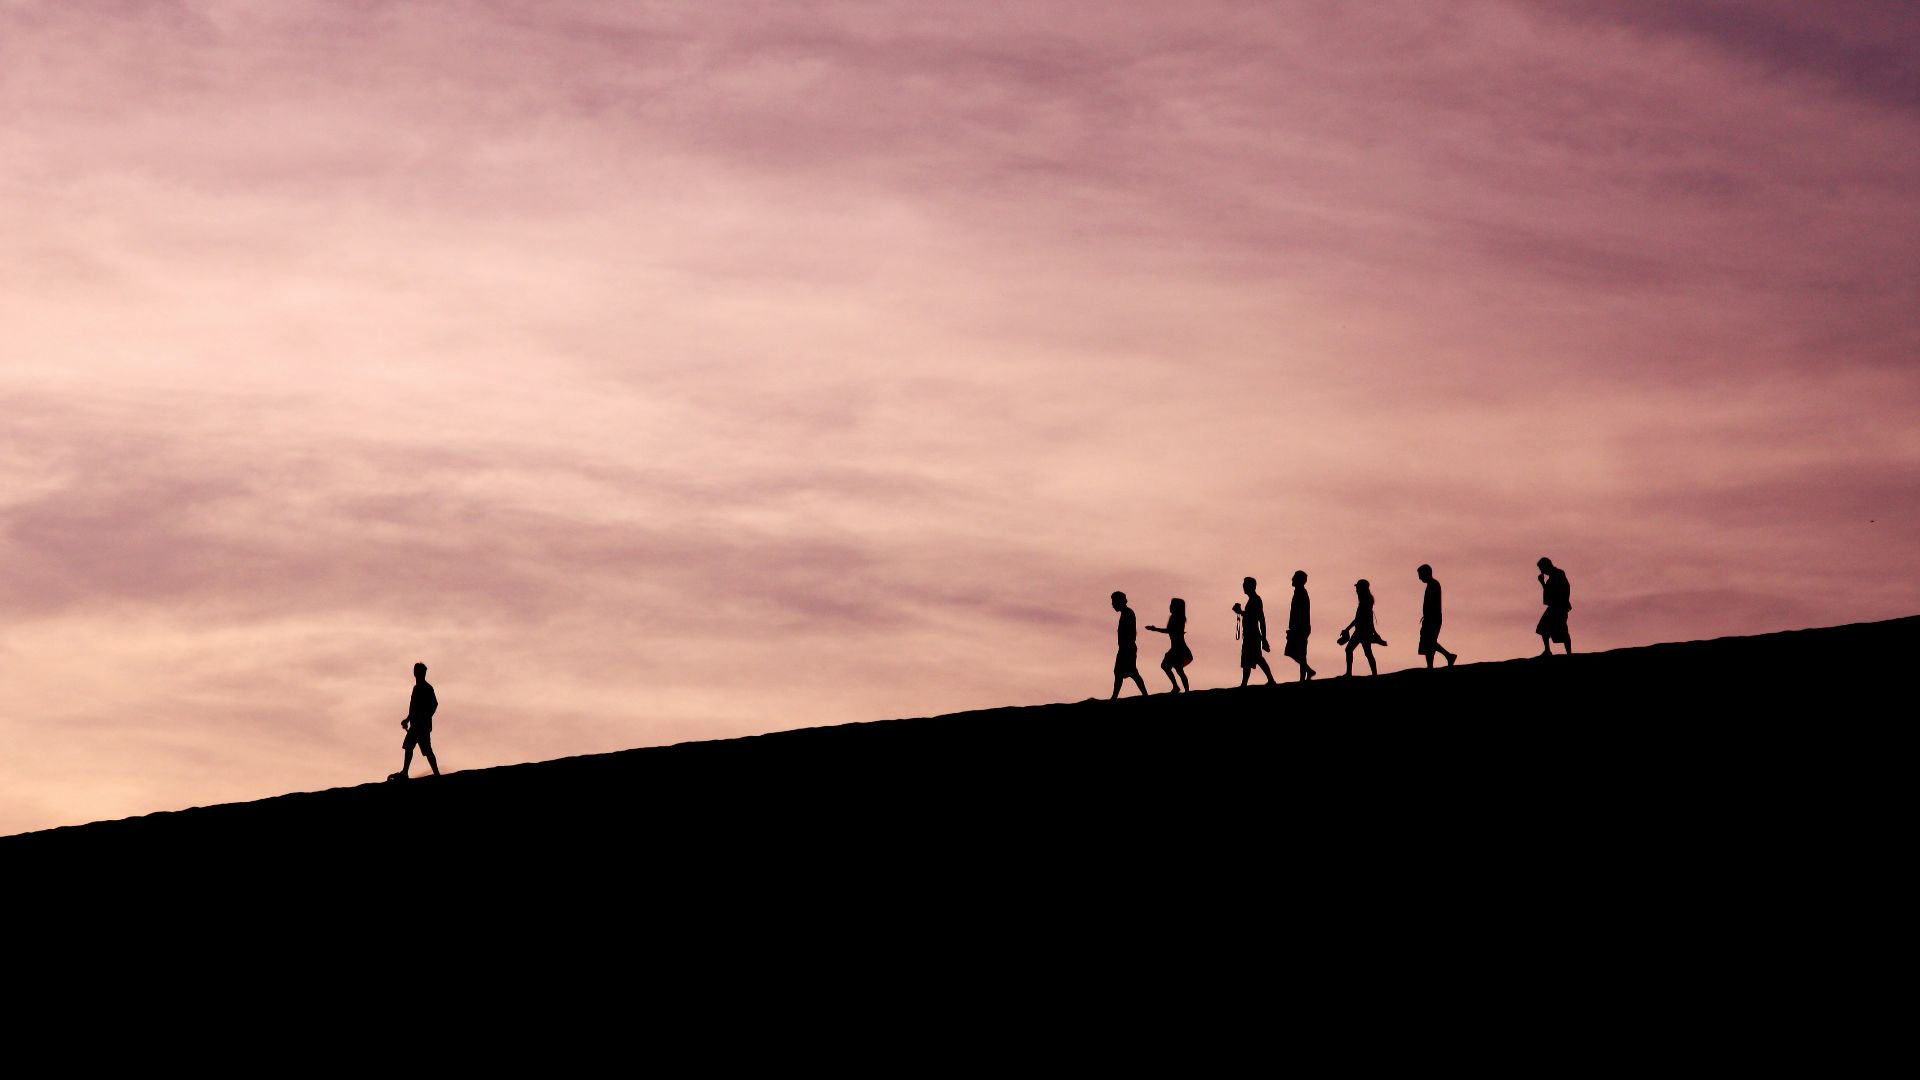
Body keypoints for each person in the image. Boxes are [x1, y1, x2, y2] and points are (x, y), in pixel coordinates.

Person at [388, 662, 441, 781]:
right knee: (410, 746)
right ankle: (405, 772)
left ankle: (436, 774)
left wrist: (426, 717)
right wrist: (407, 719)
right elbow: (413, 709)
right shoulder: (416, 688)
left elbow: (434, 704)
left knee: (425, 749)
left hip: (422, 725)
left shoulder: (427, 688)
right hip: (416, 724)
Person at [1232, 577, 1275, 687]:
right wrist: (1241, 612)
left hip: (1253, 635)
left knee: (1255, 658)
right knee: (1249, 659)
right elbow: (1252, 616)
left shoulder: (1255, 600)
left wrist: (1264, 638)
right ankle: (1245, 683)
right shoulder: (1253, 600)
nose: (1243, 586)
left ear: (1251, 586)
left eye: (1245, 584)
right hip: (1250, 635)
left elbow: (1260, 618)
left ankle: (1269, 680)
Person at [1339, 579, 1387, 676]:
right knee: (1367, 653)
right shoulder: (1366, 600)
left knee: (1351, 650)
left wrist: (1347, 629)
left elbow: (1359, 619)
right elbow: (1367, 619)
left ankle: (1350, 673)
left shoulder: (1365, 601)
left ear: (1361, 589)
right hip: (1363, 631)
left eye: (1357, 588)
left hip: (1361, 631)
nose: (1356, 590)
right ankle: (1374, 674)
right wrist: (1374, 632)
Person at [1145, 598, 1192, 693]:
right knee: (1169, 667)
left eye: (1172, 605)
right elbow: (1170, 631)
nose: (1170, 607)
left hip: (1179, 649)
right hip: (1175, 648)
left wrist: (1155, 629)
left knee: (1178, 670)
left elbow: (1170, 631)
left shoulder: (1179, 618)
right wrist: (1155, 629)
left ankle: (1185, 690)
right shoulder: (1174, 617)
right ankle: (1177, 687)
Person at [1416, 564, 1458, 669]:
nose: (1419, 577)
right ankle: (1443, 659)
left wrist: (1428, 617)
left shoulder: (1433, 585)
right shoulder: (1432, 584)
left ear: (1426, 573)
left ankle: (1447, 657)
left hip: (1433, 619)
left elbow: (1433, 603)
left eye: (1420, 574)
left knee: (1429, 641)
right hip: (1431, 618)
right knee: (1429, 642)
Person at [1110, 592, 1149, 699]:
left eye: (1114, 602)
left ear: (1120, 602)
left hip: (1127, 648)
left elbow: (1130, 633)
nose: (1112, 605)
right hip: (1125, 648)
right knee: (1123, 672)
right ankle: (1115, 696)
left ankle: (1115, 697)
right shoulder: (1126, 613)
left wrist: (1127, 646)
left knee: (1128, 672)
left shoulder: (1128, 613)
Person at [1536, 557, 1573, 657]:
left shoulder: (1558, 574)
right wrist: (1542, 582)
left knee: (1562, 629)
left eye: (1541, 568)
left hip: (1559, 606)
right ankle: (1547, 650)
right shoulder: (1552, 577)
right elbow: (1548, 592)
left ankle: (1569, 654)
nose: (1541, 571)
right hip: (1554, 606)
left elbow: (1564, 588)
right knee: (1543, 627)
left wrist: (1564, 602)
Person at [1285, 570, 1315, 681]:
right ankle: (1307, 673)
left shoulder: (1301, 593)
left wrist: (1295, 628)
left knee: (1298, 652)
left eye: (1294, 577)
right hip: (1299, 627)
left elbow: (1301, 613)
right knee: (1294, 652)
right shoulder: (1299, 592)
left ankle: (1304, 676)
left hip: (1300, 628)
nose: (1292, 579)